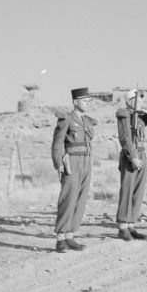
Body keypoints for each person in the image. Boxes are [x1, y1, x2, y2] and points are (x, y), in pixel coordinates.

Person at [51, 87, 97, 253]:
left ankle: (70, 235)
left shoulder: (87, 121)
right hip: (71, 162)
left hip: (86, 161)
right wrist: (58, 163)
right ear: (75, 102)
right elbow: (57, 142)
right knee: (68, 198)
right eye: (84, 101)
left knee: (80, 199)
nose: (87, 103)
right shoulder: (66, 119)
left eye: (88, 101)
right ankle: (60, 238)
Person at [115, 90, 147, 241]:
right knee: (127, 190)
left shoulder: (141, 117)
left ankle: (131, 225)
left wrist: (144, 110)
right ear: (129, 101)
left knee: (138, 191)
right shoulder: (124, 115)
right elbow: (125, 139)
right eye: (138, 99)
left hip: (142, 153)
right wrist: (133, 157)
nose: (141, 101)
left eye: (141, 99)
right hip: (131, 155)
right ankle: (123, 227)